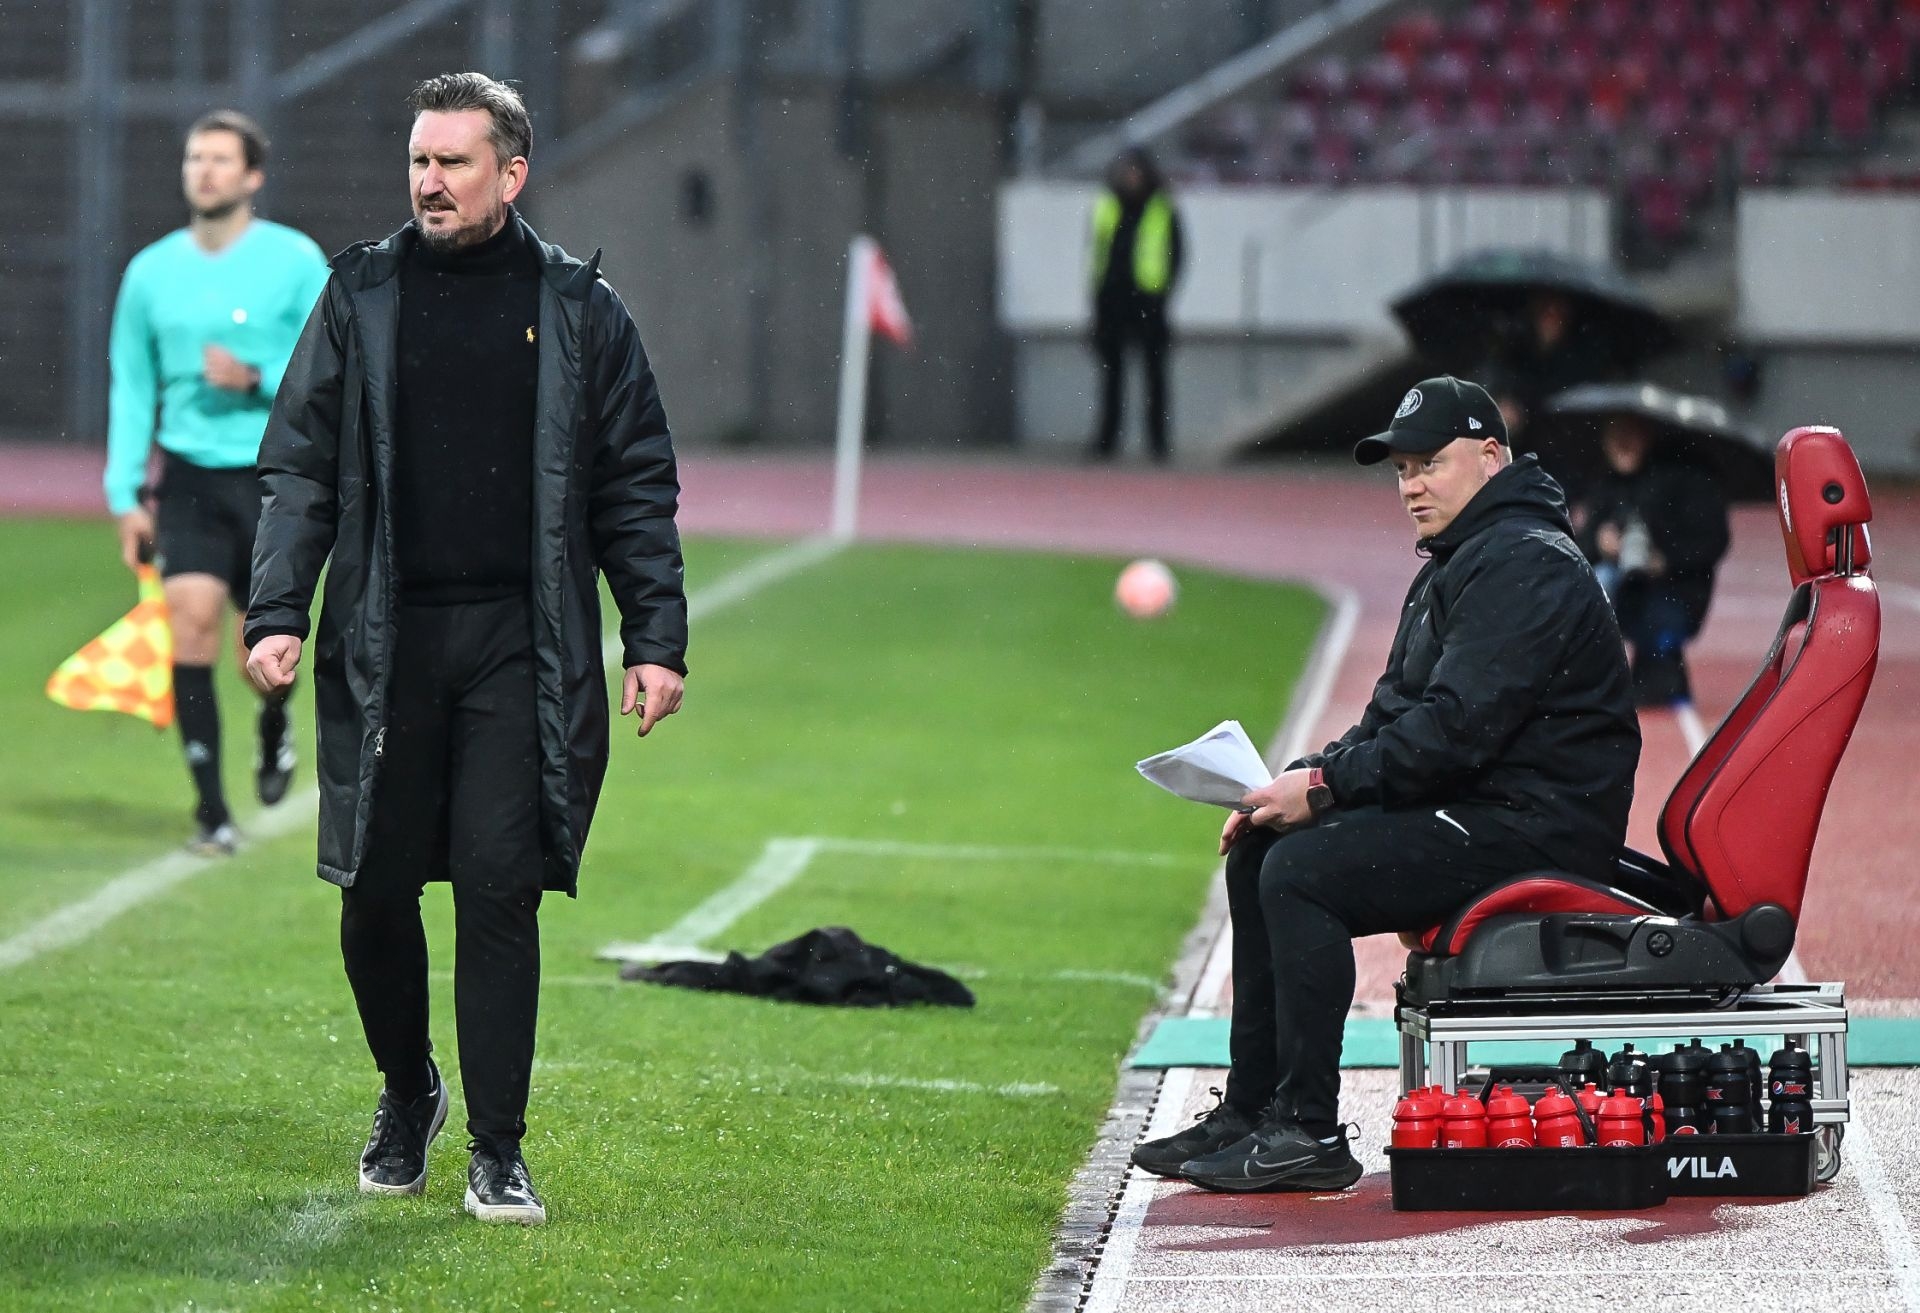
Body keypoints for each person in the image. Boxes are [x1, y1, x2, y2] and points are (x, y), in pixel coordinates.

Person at [242, 72, 688, 1226]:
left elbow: (635, 484)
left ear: (512, 172)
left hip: (519, 646)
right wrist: (277, 609)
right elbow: (299, 466)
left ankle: (500, 1145)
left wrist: (655, 637)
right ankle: (409, 1089)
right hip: (385, 639)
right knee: (374, 889)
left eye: (453, 161)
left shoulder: (580, 308)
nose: (429, 182)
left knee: (499, 887)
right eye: (419, 160)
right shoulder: (360, 295)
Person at [1131, 376, 1640, 1192]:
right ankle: (1254, 1108)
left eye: (1429, 463)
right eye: (1402, 470)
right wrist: (1300, 779)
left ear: (1490, 456)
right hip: (1484, 805)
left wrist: (1327, 788)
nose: (1411, 486)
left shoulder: (1524, 563)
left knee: (1302, 873)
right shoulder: (1462, 559)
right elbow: (1395, 715)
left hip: (1537, 825)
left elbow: (1456, 729)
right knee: (1262, 849)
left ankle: (1308, 1130)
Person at [103, 109, 330, 855]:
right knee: (191, 622)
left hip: (273, 478)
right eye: (194, 158)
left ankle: (274, 724)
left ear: (253, 175)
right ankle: (212, 812)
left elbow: (331, 365)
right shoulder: (150, 272)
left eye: (220, 159)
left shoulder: (295, 261)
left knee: (259, 652)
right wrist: (125, 494)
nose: (203, 170)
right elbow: (132, 386)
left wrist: (256, 377)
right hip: (190, 478)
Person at [1572, 415, 1730, 707]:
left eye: (1629, 433)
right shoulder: (1607, 485)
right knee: (1591, 587)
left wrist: (1666, 559)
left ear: (1648, 433)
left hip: (1676, 593)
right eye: (1614, 435)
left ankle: (1658, 667)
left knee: (1655, 621)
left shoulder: (1687, 478)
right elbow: (1580, 548)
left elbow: (1714, 539)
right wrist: (1600, 543)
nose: (1622, 444)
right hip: (1627, 593)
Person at [1087, 147, 1184, 463]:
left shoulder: (1162, 207)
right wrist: (1097, 302)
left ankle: (1158, 444)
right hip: (1112, 302)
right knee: (1112, 377)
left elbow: (1177, 255)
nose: (1131, 178)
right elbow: (1096, 256)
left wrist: (1163, 293)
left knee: (1155, 377)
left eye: (1136, 171)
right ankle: (1106, 442)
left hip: (1149, 303)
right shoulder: (1106, 206)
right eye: (1127, 171)